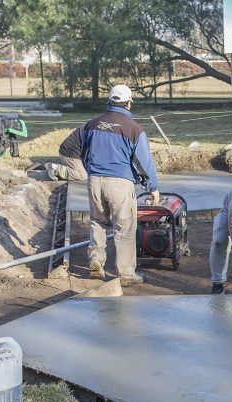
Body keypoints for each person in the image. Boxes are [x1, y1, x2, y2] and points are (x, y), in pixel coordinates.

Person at [81, 84, 159, 285]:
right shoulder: (133, 129)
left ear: (110, 101)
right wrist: (152, 187)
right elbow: (144, 162)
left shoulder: (92, 124)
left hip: (94, 181)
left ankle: (96, 258)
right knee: (124, 228)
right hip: (120, 184)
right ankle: (125, 274)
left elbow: (83, 152)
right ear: (129, 103)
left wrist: (91, 171)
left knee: (98, 221)